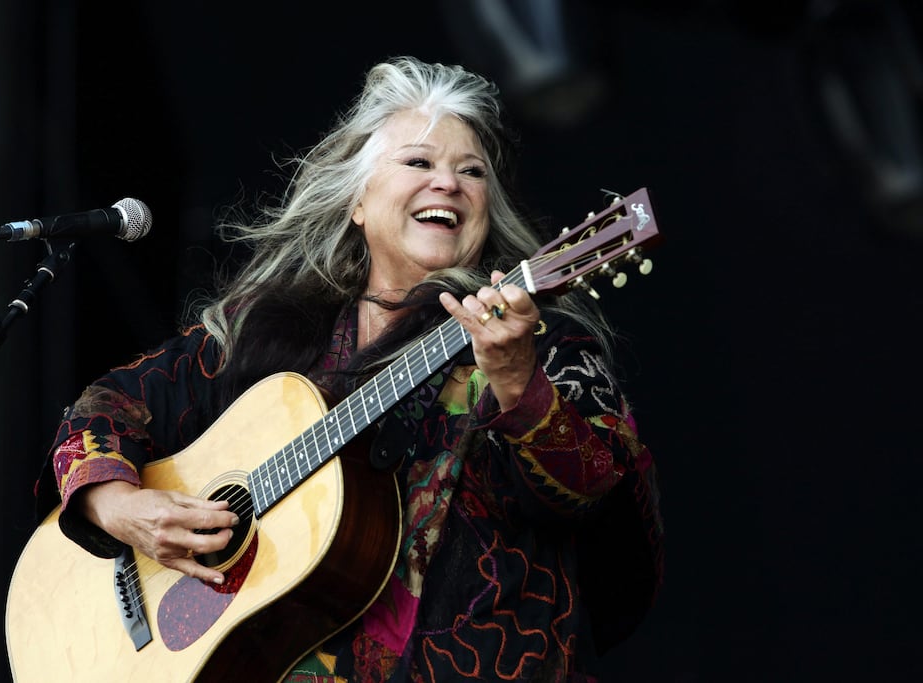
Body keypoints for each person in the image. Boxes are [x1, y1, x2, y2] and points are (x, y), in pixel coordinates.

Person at [35, 55, 664, 682]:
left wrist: (518, 384)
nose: (448, 183)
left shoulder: (543, 344)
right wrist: (112, 504)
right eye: (418, 162)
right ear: (358, 202)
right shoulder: (270, 335)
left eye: (471, 172)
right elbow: (109, 405)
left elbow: (593, 493)